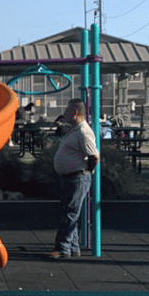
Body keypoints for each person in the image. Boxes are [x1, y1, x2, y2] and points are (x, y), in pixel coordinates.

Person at [49, 98, 99, 259]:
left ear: (76, 113)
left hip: (77, 177)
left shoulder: (83, 131)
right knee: (70, 212)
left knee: (70, 213)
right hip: (69, 177)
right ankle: (73, 247)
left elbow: (93, 156)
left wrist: (87, 171)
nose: (64, 114)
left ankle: (62, 248)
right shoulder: (75, 129)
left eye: (67, 111)